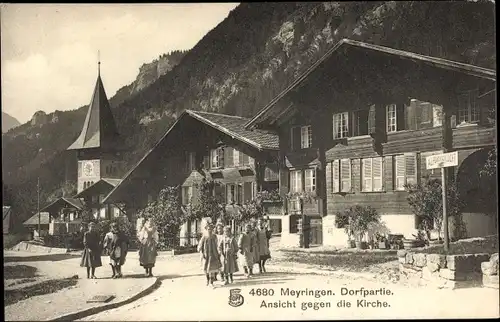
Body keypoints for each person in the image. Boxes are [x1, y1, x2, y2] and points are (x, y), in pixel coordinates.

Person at [197, 222, 222, 288]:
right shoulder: (204, 237)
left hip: (214, 254)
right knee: (206, 268)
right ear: (206, 229)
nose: (210, 230)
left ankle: (211, 282)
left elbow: (218, 244)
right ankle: (208, 280)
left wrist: (219, 251)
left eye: (211, 229)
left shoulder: (214, 236)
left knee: (213, 268)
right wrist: (199, 249)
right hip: (206, 254)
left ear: (212, 230)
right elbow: (200, 244)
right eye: (208, 229)